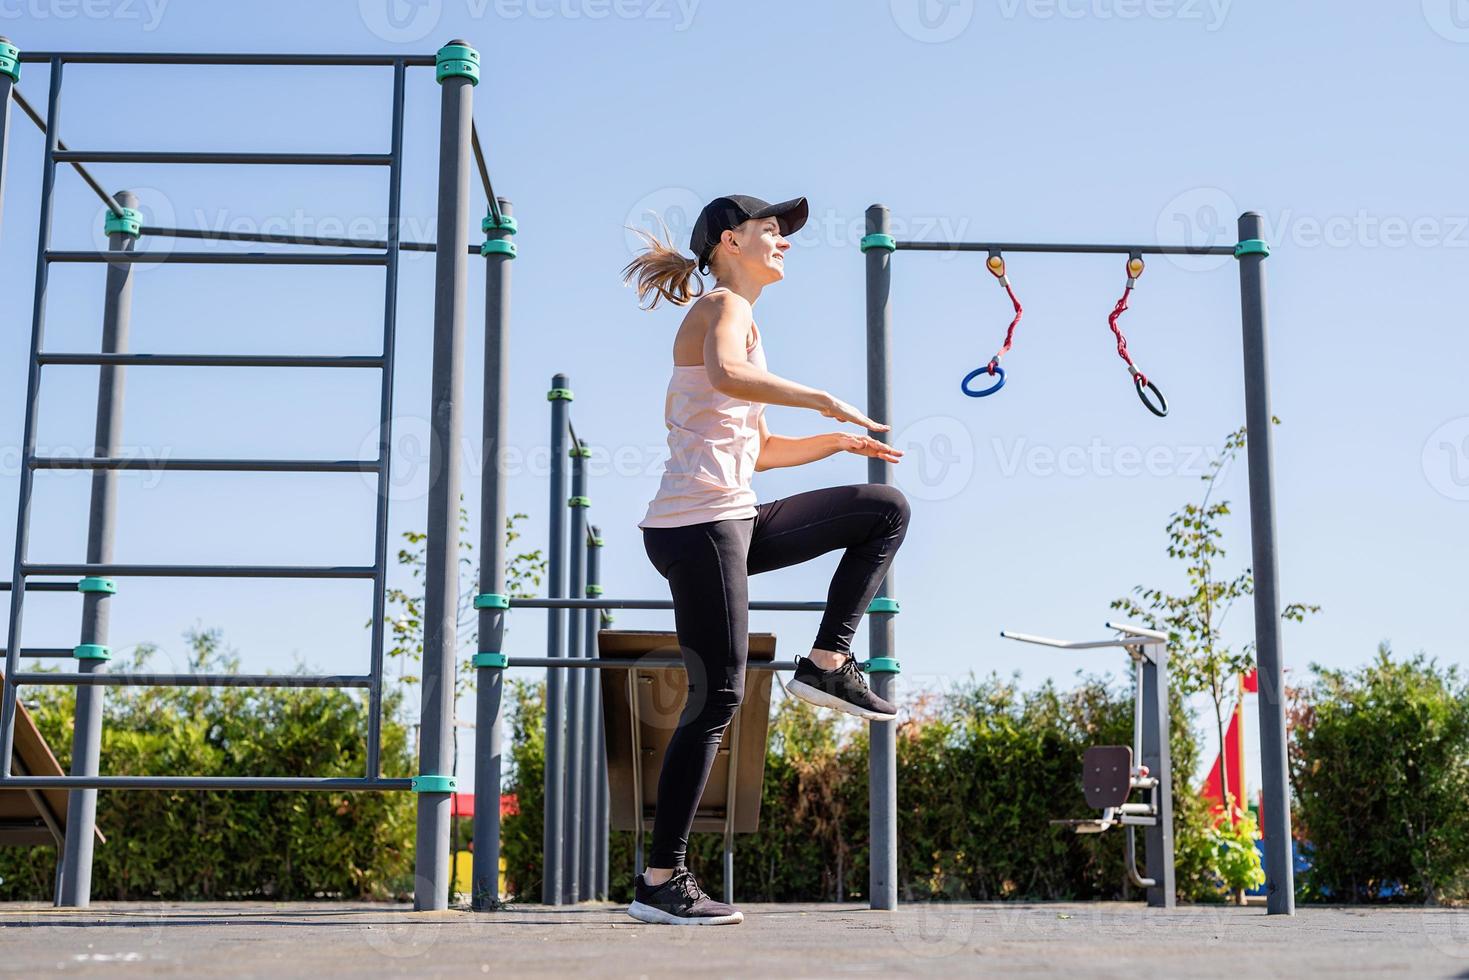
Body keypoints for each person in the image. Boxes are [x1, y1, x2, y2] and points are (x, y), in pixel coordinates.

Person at [621, 195, 911, 926]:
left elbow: (755, 449)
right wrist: (821, 400)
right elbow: (724, 376)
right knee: (717, 695)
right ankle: (661, 880)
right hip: (698, 527)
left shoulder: (744, 322)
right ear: (729, 241)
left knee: (882, 508)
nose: (782, 243)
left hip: (731, 516)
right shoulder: (723, 309)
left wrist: (834, 444)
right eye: (770, 232)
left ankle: (824, 664)